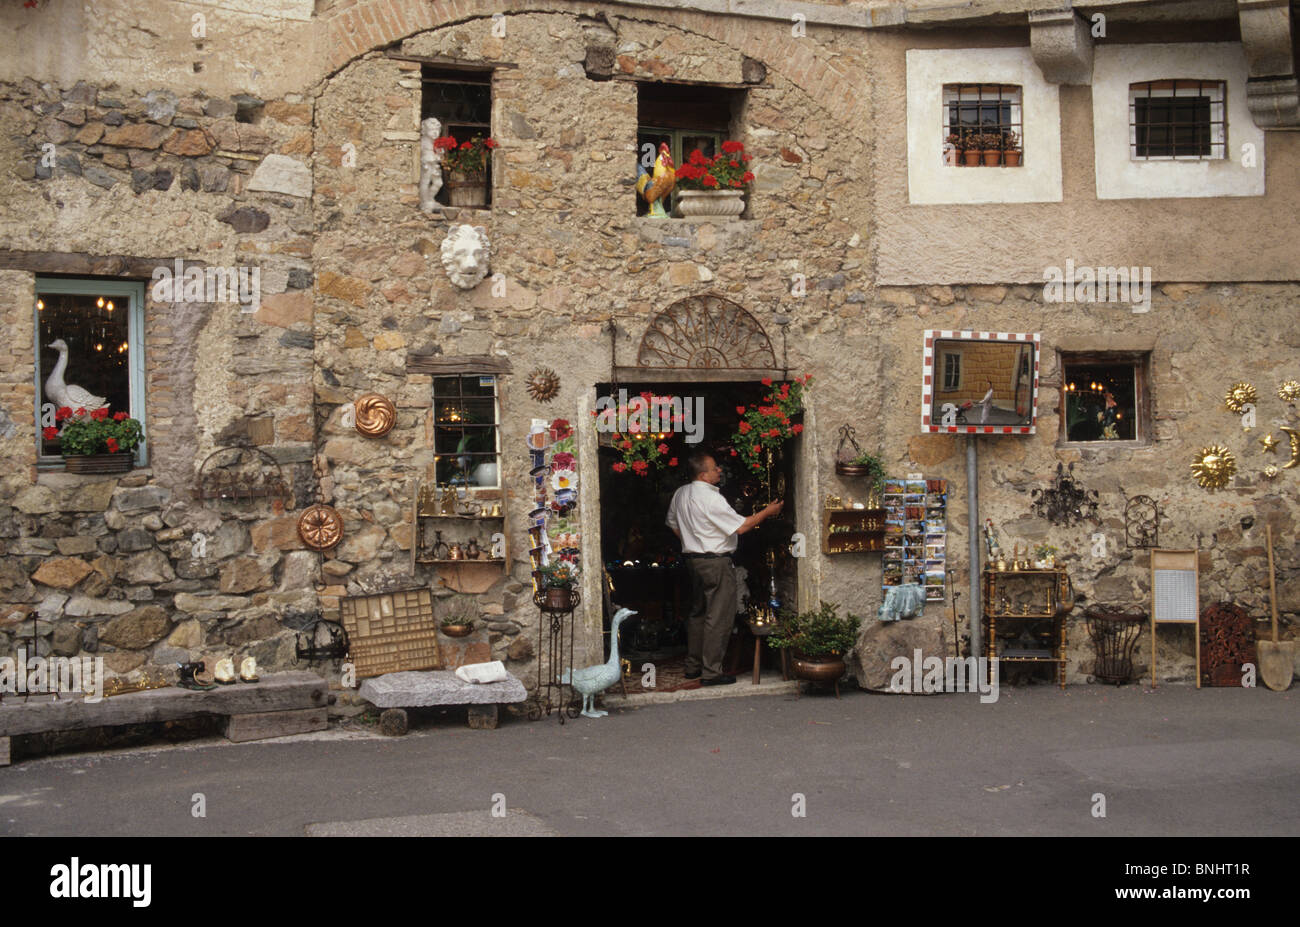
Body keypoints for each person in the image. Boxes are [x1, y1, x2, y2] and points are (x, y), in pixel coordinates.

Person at [666, 451, 784, 686]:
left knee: (698, 613)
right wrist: (768, 512)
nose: (719, 470)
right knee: (718, 616)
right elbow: (742, 527)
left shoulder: (681, 493)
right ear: (703, 475)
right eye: (714, 468)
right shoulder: (711, 498)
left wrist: (692, 541)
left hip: (694, 560)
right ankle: (711, 672)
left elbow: (671, 523)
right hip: (715, 561)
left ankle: (693, 666)